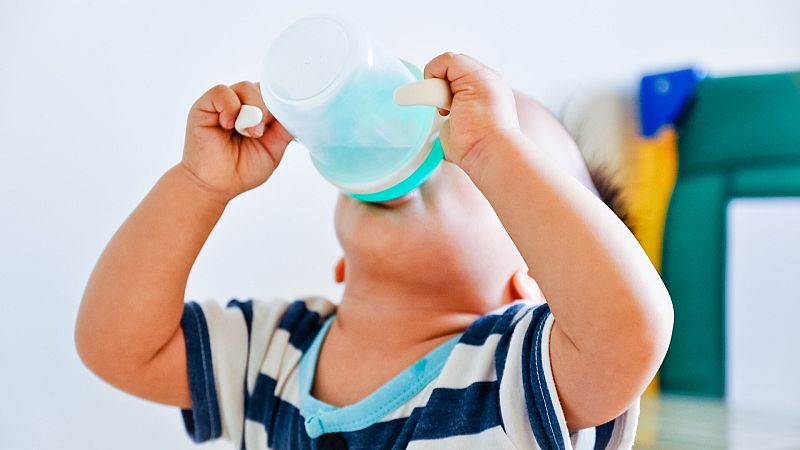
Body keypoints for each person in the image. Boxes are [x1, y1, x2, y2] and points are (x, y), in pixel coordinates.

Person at [75, 52, 673, 449]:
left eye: (489, 159)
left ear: (537, 281)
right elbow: (119, 347)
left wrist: (493, 147)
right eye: (452, 128)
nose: (446, 138)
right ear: (342, 267)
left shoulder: (518, 378)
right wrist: (198, 186)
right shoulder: (272, 353)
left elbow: (627, 335)